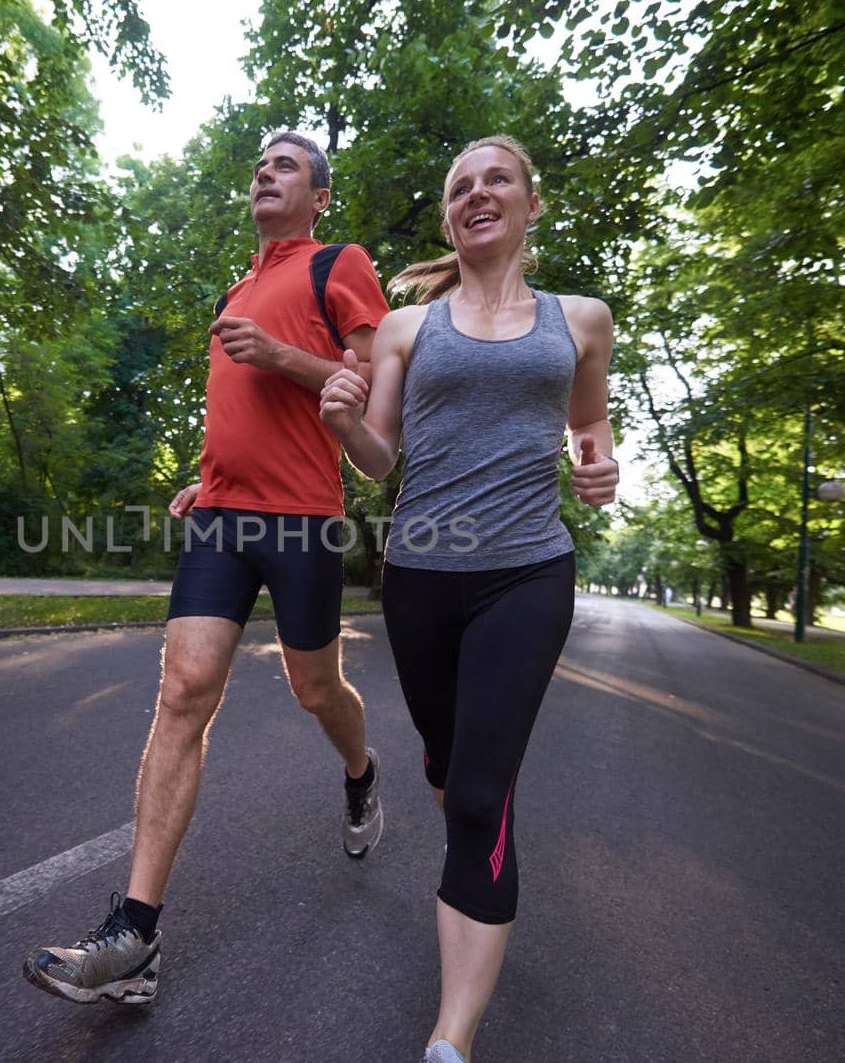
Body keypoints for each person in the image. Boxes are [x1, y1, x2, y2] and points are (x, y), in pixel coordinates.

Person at [22, 131, 392, 1005]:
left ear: (319, 195)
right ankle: (135, 938)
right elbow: (241, 411)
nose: (265, 173)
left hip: (305, 521)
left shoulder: (338, 265)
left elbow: (369, 390)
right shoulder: (236, 288)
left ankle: (361, 772)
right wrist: (210, 476)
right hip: (223, 519)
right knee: (184, 689)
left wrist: (280, 354)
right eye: (260, 165)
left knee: (314, 690)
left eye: (287, 165)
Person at [319, 135, 618, 1062]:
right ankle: (461, 823)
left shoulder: (581, 319)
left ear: (530, 203)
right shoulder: (411, 329)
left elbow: (590, 421)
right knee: (451, 771)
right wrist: (339, 421)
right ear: (450, 217)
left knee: (485, 796)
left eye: (496, 181)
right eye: (460, 188)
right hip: (419, 577)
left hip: (529, 572)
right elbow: (380, 461)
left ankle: (452, 1038)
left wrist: (597, 467)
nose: (477, 195)